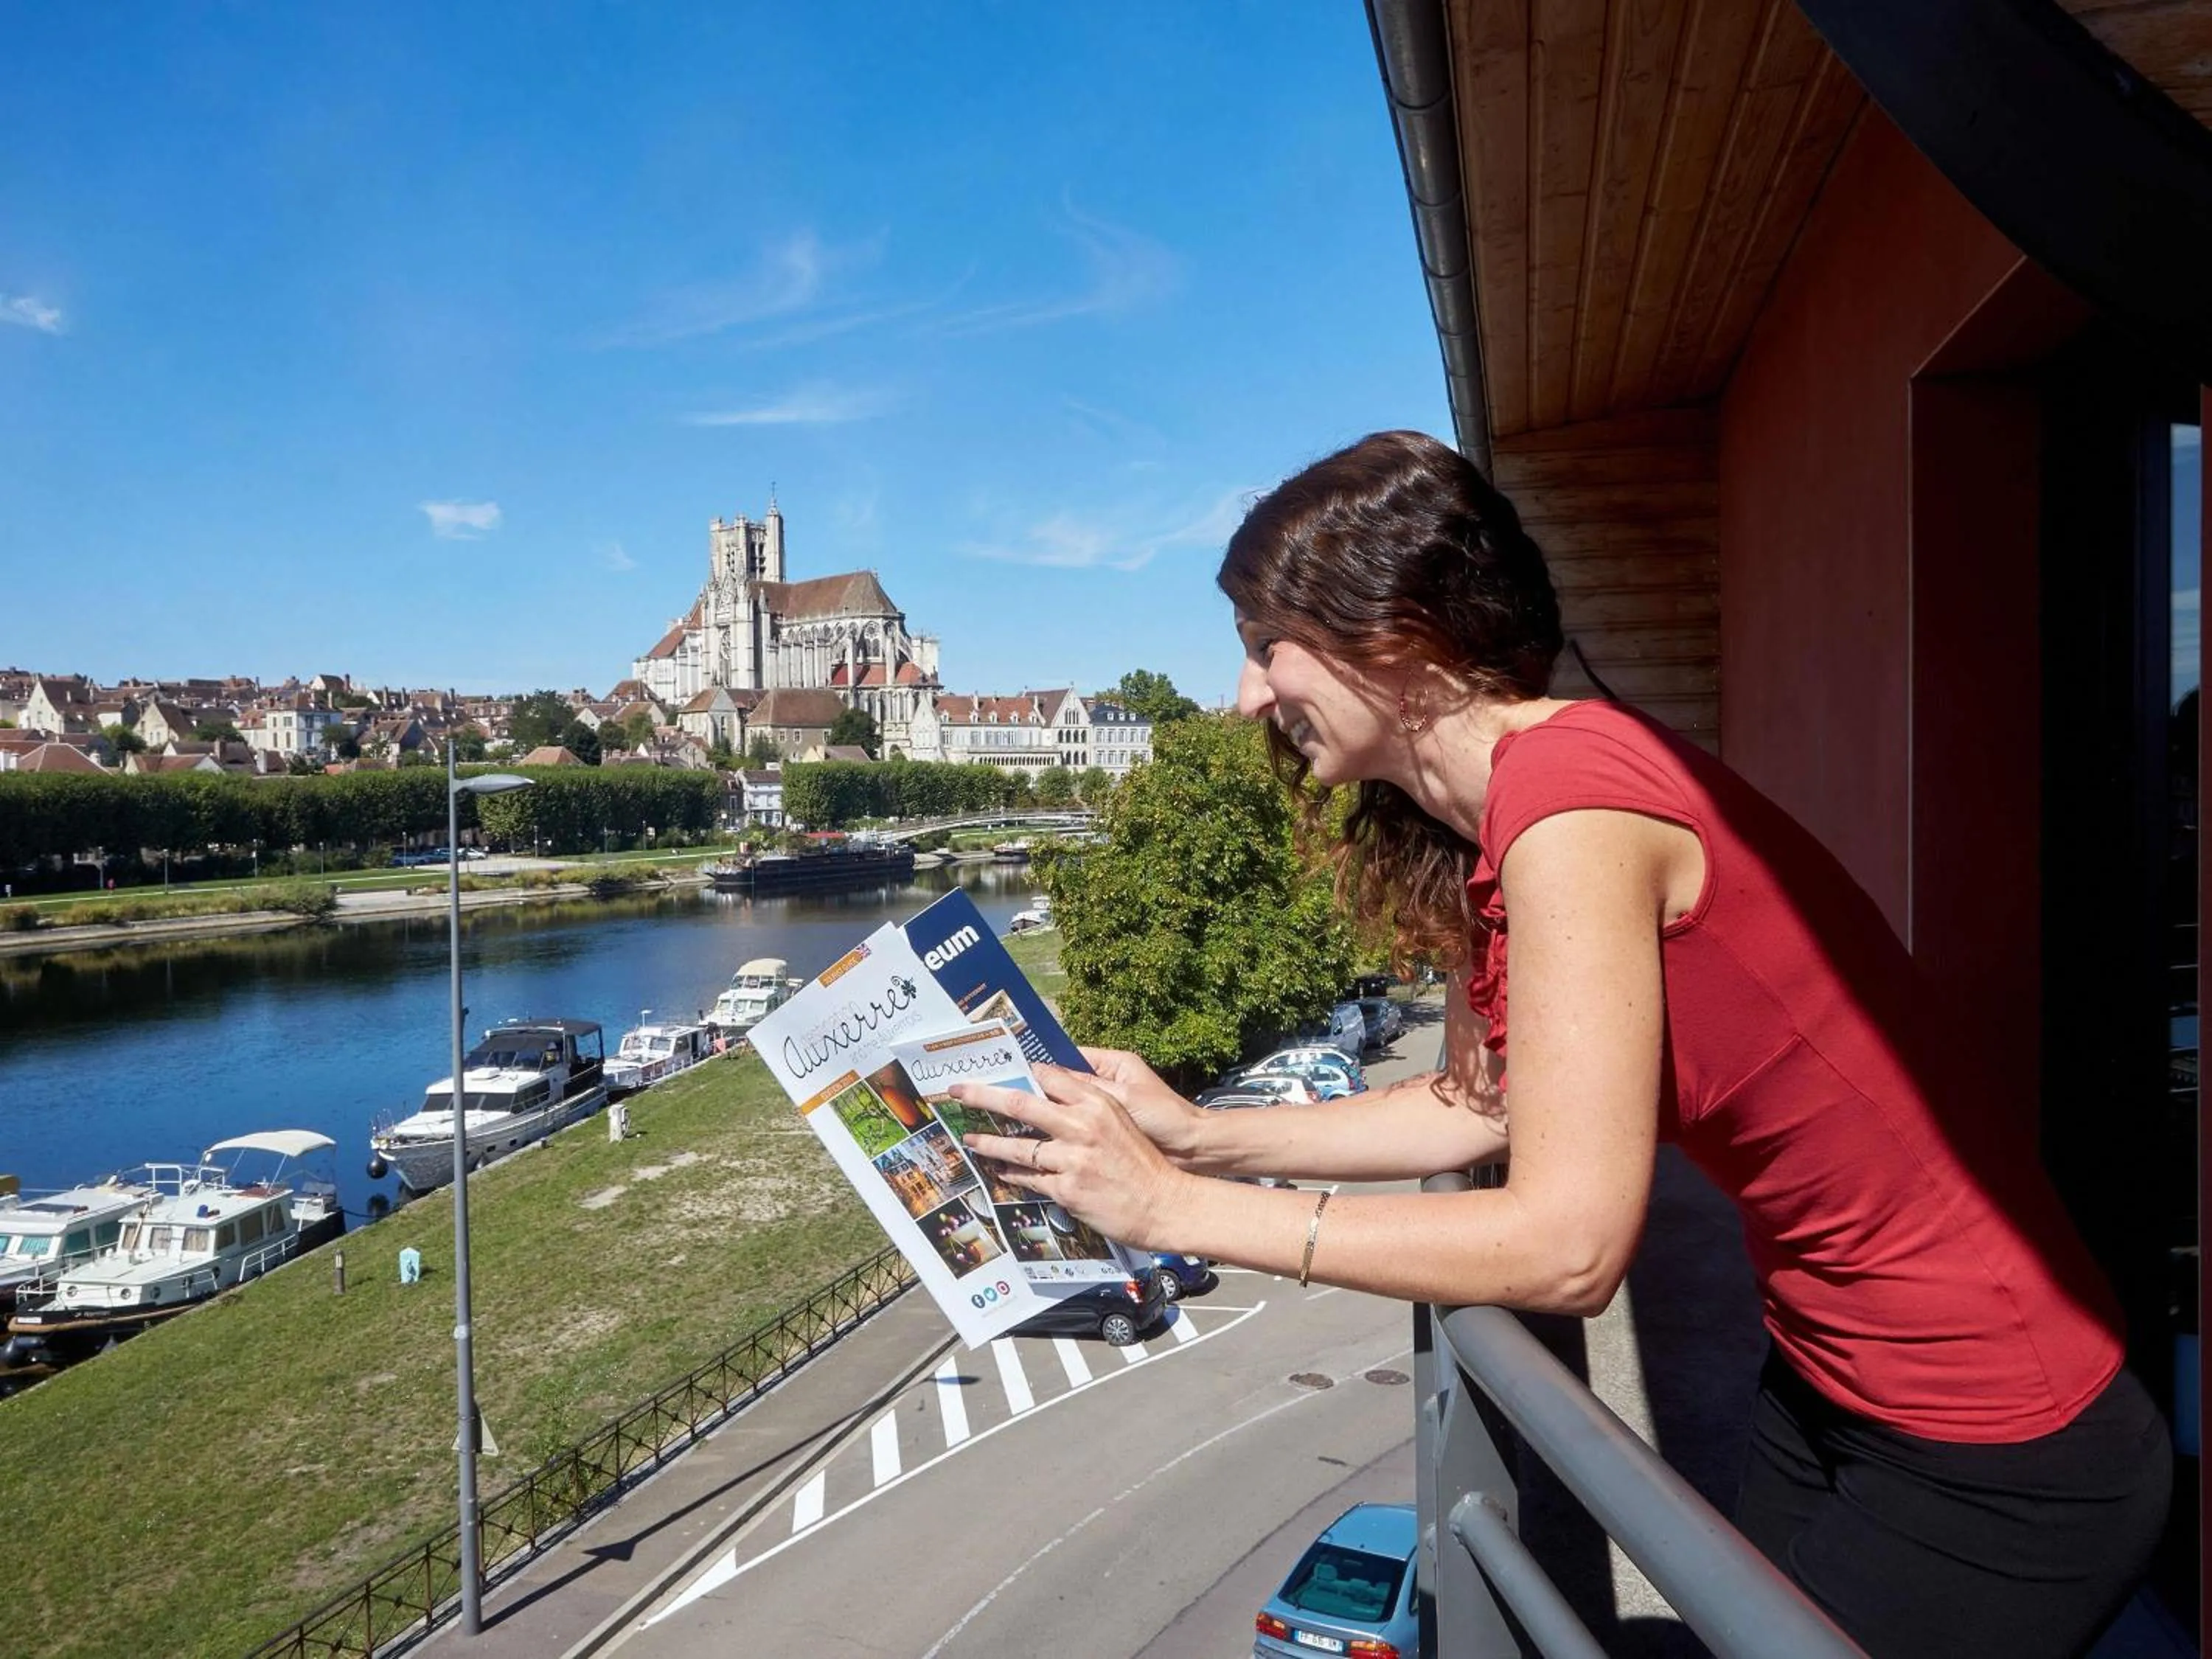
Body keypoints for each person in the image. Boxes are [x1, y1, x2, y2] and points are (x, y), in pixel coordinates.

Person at [954, 430, 2171, 1658]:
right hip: (1828, 1380)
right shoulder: (1519, 809)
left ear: (1393, 627)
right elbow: (1484, 1107)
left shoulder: (1572, 804)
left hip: (1997, 1433)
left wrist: (1175, 1210)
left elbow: (1572, 1245)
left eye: (1267, 646)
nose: (1247, 697)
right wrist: (1201, 1132)